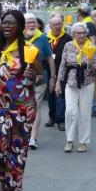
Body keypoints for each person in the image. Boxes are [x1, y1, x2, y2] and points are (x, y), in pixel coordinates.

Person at [0, 10, 43, 191]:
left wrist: (34, 77)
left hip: (23, 108)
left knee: (17, 150)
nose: (6, 27)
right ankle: (3, 183)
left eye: (11, 24)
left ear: (20, 26)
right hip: (0, 107)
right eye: (4, 23)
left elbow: (41, 77)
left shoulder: (29, 50)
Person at [56, 22, 96, 153]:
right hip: (71, 82)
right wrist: (58, 81)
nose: (81, 35)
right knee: (70, 111)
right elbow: (63, 65)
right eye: (78, 33)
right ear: (73, 34)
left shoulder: (92, 47)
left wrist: (92, 64)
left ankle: (83, 142)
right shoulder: (68, 46)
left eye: (83, 33)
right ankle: (69, 141)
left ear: (86, 33)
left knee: (84, 113)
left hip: (87, 82)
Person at [24, 13, 55, 150]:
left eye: (33, 22)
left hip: (39, 76)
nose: (31, 25)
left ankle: (33, 137)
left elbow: (49, 58)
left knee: (36, 106)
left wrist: (53, 77)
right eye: (28, 22)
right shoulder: (18, 37)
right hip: (21, 76)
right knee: (23, 107)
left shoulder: (42, 38)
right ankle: (24, 133)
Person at [45, 16, 72, 131]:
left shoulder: (68, 38)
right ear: (50, 26)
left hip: (63, 72)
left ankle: (61, 120)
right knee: (50, 95)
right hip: (49, 71)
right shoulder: (46, 39)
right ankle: (52, 117)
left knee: (60, 95)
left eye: (59, 24)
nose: (57, 26)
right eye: (55, 24)